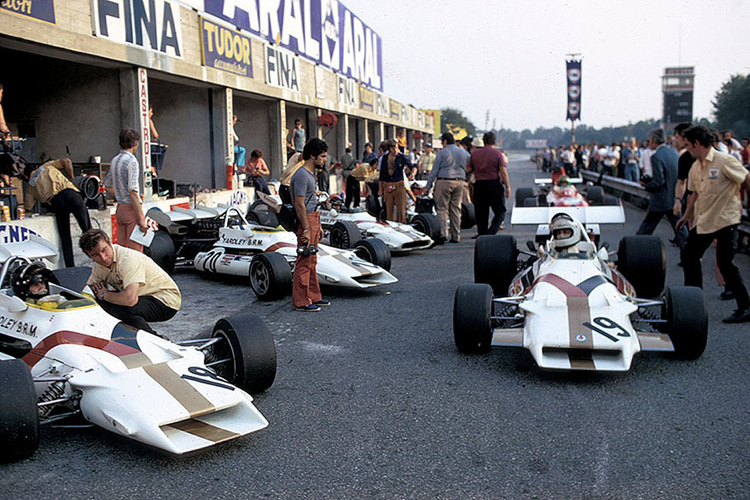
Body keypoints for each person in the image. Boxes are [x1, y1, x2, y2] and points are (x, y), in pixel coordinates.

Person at [676, 125, 750, 324]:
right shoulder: (696, 166)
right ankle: (693, 301)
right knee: (690, 256)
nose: (687, 150)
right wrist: (686, 215)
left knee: (726, 265)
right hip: (705, 219)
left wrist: (748, 204)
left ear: (697, 144)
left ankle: (745, 306)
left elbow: (746, 177)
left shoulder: (724, 160)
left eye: (689, 146)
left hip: (726, 219)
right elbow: (694, 194)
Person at [80, 229, 181, 334]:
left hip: (165, 299)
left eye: (104, 250)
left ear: (110, 243)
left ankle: (153, 339)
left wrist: (105, 294)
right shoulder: (99, 266)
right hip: (140, 296)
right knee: (100, 305)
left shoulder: (127, 259)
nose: (103, 258)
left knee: (122, 311)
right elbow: (89, 290)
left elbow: (130, 300)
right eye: (95, 255)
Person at [22, 158, 91, 267]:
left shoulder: (30, 186)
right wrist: (71, 177)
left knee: (65, 238)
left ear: (26, 176)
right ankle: (98, 260)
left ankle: (70, 267)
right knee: (88, 231)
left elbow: (27, 208)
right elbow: (67, 161)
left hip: (57, 202)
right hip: (71, 194)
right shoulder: (45, 166)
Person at [290, 138, 329, 312]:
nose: (324, 160)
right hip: (305, 220)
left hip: (313, 218)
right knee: (304, 261)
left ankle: (313, 296)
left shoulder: (310, 175)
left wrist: (317, 225)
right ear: (312, 156)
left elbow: (311, 200)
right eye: (322, 156)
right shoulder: (301, 175)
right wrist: (306, 229)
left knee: (312, 260)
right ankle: (301, 301)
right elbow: (300, 204)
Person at [636, 129, 686, 257]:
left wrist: (647, 185)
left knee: (646, 227)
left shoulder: (656, 156)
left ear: (653, 140)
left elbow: (659, 181)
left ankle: (634, 250)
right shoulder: (673, 152)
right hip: (673, 196)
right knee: (680, 229)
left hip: (660, 199)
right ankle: (688, 255)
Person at [106, 128, 148, 253]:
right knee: (135, 252)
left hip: (120, 208)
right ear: (135, 143)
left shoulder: (114, 160)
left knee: (122, 251)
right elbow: (133, 191)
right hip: (132, 208)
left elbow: (107, 185)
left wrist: (119, 194)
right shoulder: (132, 161)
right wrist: (141, 218)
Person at [426, 132, 470, 244]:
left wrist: (428, 185)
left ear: (445, 141)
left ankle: (443, 234)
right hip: (459, 181)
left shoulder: (442, 153)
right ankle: (456, 236)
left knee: (442, 208)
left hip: (444, 180)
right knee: (456, 208)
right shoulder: (463, 152)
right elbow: (469, 166)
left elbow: (434, 171)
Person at [466, 131, 510, 238]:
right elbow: (503, 171)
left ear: (483, 141)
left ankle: (482, 235)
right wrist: (508, 187)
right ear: (493, 141)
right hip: (493, 184)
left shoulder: (475, 154)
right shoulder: (497, 154)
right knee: (500, 212)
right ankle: (490, 233)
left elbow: (468, 169)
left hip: (479, 185)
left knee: (481, 214)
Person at [378, 139, 411, 224]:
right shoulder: (384, 158)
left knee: (401, 209)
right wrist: (380, 189)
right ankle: (390, 226)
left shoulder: (401, 157)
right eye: (393, 148)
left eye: (397, 148)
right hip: (388, 184)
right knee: (389, 209)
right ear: (390, 149)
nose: (395, 150)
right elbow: (381, 174)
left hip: (399, 184)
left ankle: (402, 225)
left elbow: (412, 165)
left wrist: (412, 173)